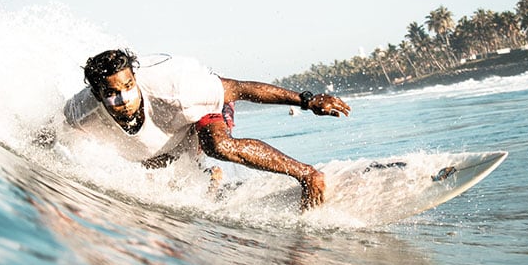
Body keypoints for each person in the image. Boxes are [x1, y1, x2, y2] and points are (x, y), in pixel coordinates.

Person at [62, 49, 350, 209]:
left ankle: (308, 174)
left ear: (135, 79)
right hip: (172, 123)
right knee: (155, 162)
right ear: (98, 95)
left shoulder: (179, 88)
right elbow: (53, 133)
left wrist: (306, 100)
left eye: (128, 87)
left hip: (206, 104)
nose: (123, 99)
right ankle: (211, 179)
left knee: (218, 146)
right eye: (112, 93)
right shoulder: (82, 111)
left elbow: (239, 89)